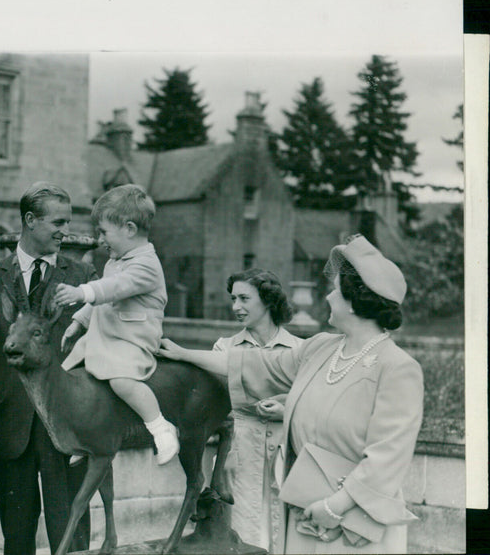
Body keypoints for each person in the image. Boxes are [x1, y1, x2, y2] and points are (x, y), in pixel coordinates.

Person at [160, 234, 423, 554]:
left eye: (336, 291)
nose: (327, 297)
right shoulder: (321, 348)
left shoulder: (397, 367)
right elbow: (250, 364)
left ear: (354, 302)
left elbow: (388, 458)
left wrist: (333, 506)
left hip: (354, 524)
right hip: (305, 512)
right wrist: (180, 354)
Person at [0, 182, 96, 555]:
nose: (65, 231)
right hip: (8, 425)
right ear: (30, 220)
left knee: (71, 537)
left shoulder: (84, 280)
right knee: (16, 537)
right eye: (57, 222)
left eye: (68, 223)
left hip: (69, 427)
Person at [55, 184, 178, 465]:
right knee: (67, 372)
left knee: (122, 382)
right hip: (105, 336)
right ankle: (85, 433)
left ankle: (160, 427)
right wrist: (79, 320)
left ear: (130, 229)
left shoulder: (146, 265)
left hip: (131, 339)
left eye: (104, 232)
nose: (100, 240)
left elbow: (113, 288)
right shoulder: (116, 260)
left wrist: (81, 292)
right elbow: (103, 300)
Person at [210, 269, 301, 553]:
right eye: (233, 298)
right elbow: (216, 406)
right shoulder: (223, 348)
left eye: (244, 299)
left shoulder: (299, 349)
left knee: (285, 530)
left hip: (287, 453)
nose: (236, 307)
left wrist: (287, 411)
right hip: (240, 451)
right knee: (241, 531)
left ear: (268, 300)